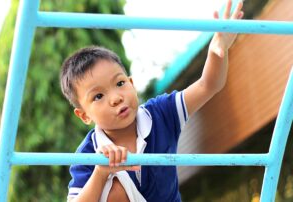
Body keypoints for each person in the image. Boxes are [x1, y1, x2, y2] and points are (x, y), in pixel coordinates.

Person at [60, 0, 244, 201]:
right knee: (112, 188)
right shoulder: (88, 153)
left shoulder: (160, 114)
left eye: (120, 83)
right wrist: (101, 172)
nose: (116, 98)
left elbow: (207, 86)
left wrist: (218, 50)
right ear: (84, 115)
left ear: (131, 83)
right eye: (98, 96)